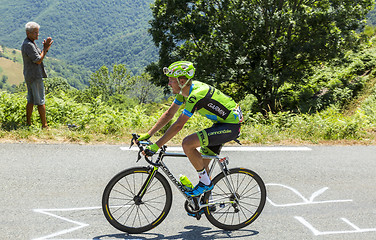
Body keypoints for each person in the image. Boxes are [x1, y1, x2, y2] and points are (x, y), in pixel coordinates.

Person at [138, 61, 243, 197]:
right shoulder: (184, 90)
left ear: (182, 81)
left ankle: (205, 184)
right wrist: (148, 134)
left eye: (171, 80)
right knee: (202, 167)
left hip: (230, 126)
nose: (169, 84)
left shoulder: (195, 96)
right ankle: (207, 203)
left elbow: (178, 125)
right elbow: (169, 114)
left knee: (187, 143)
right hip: (221, 124)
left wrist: (156, 146)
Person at [21, 21, 53, 129]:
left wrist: (45, 49)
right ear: (28, 33)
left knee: (31, 100)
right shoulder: (29, 45)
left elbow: (40, 55)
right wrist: (45, 49)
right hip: (35, 76)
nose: (37, 34)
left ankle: (28, 123)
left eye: (37, 32)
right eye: (35, 32)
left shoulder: (30, 43)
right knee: (40, 101)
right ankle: (44, 125)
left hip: (30, 75)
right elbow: (38, 60)